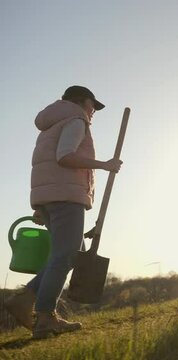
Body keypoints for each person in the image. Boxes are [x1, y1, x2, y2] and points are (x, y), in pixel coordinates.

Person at [5, 86, 122, 339]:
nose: (93, 112)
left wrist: (42, 206)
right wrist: (104, 165)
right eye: (93, 106)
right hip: (65, 198)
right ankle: (46, 316)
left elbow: (47, 163)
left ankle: (25, 299)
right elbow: (64, 157)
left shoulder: (52, 123)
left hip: (49, 197)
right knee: (66, 256)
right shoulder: (75, 120)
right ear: (81, 102)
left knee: (72, 252)